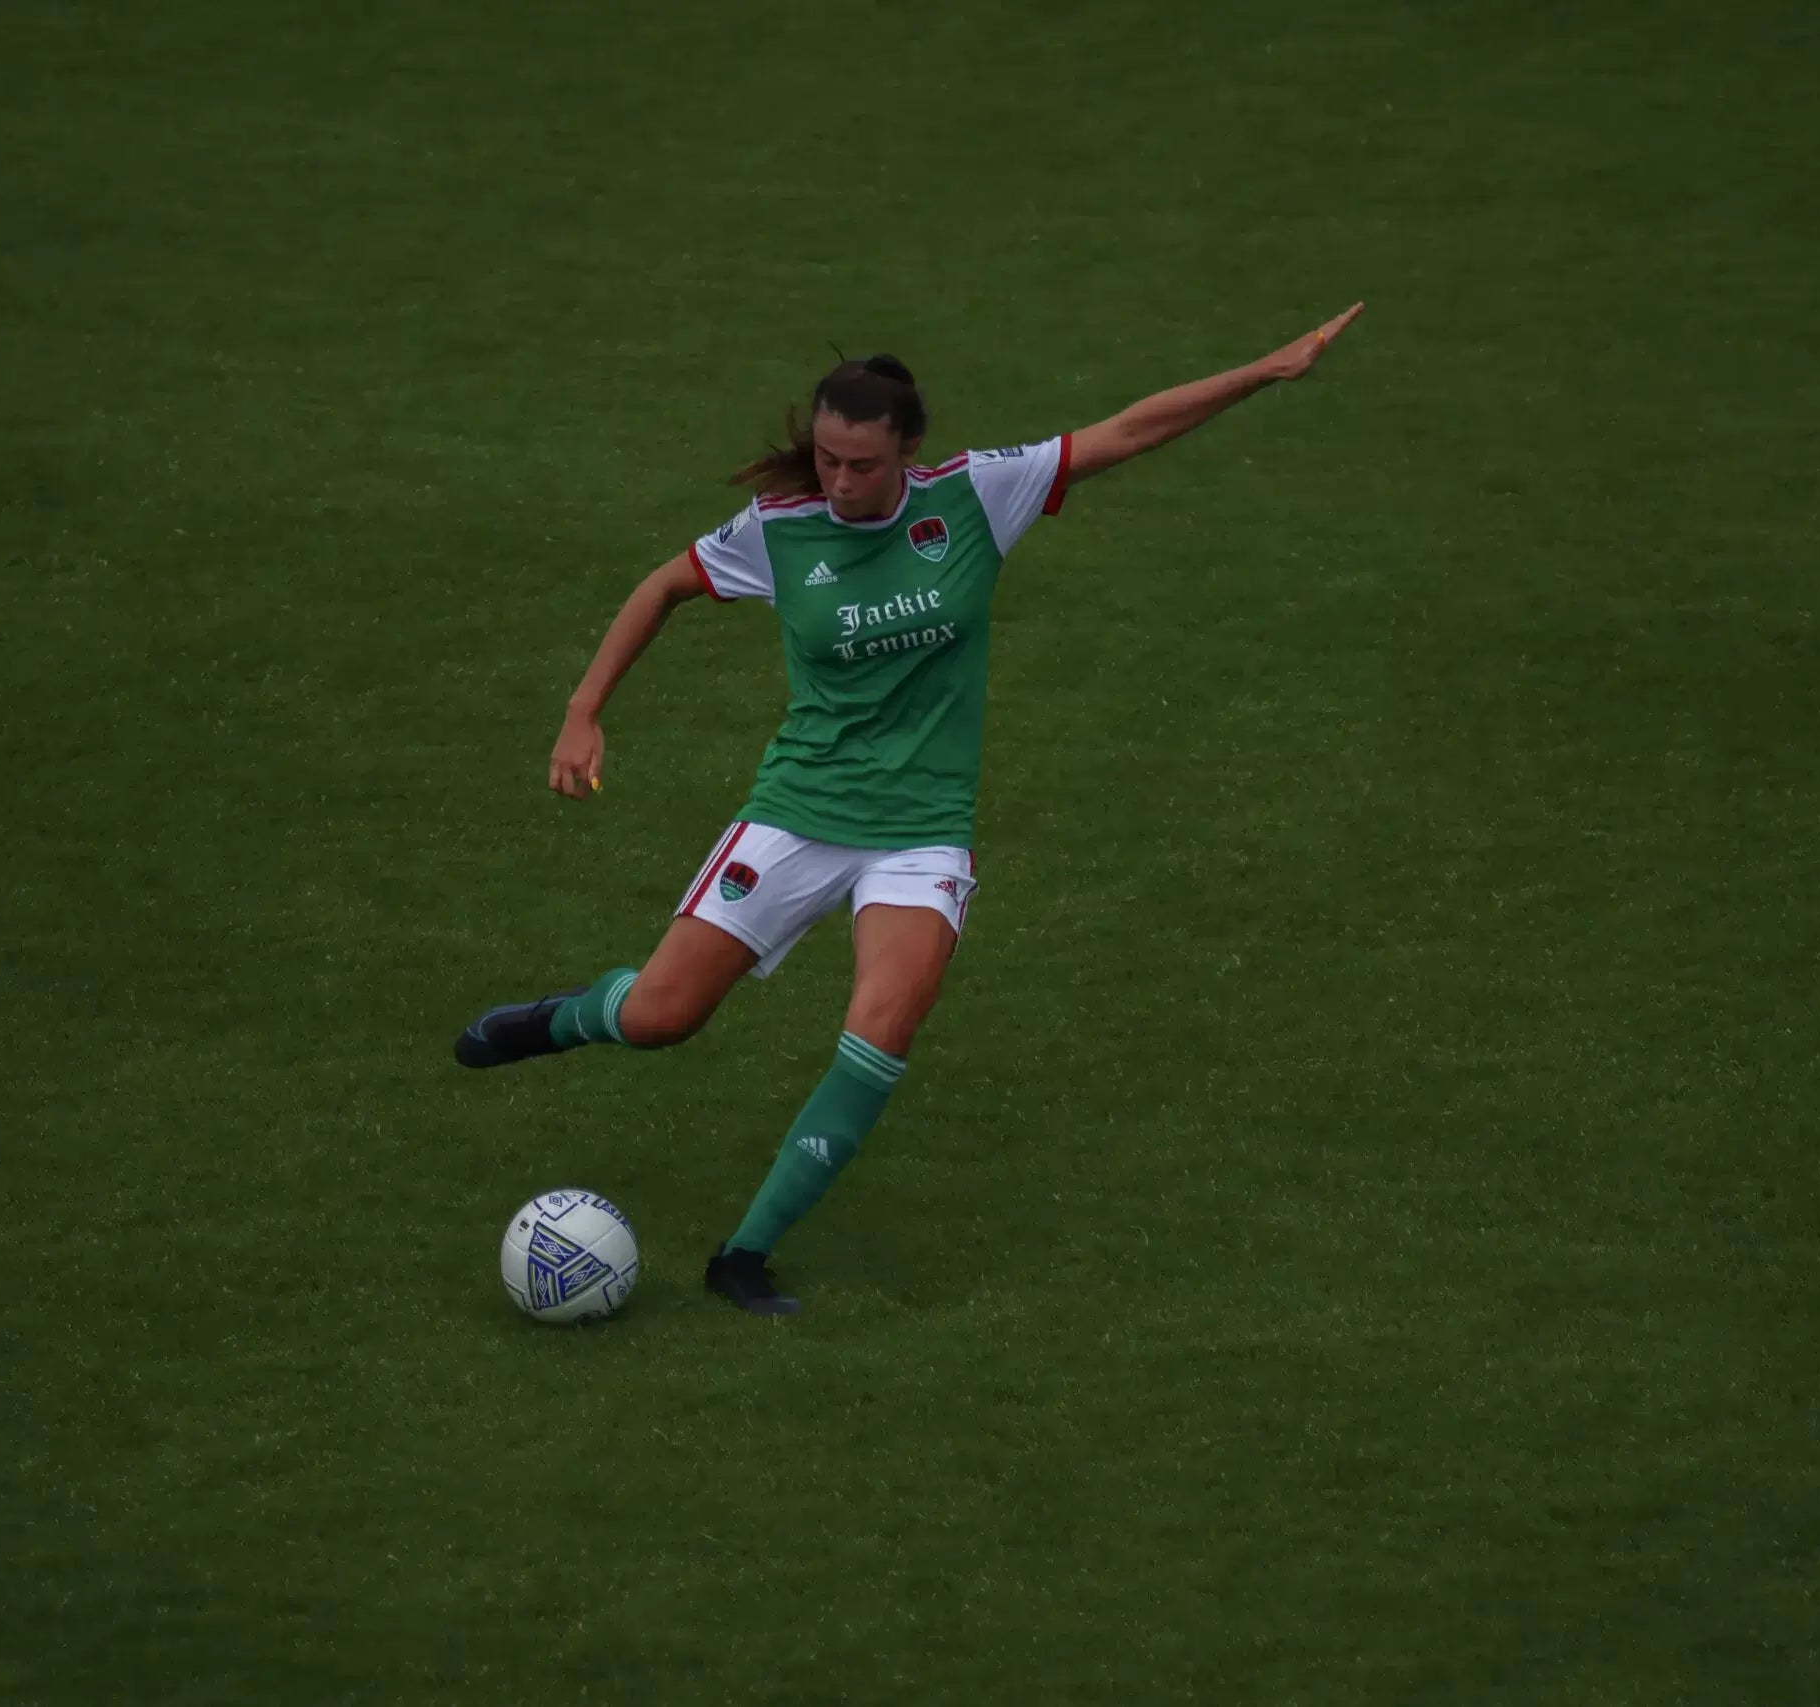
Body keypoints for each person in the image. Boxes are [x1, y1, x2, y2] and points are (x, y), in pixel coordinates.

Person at [459, 303, 1365, 1315]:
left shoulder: (978, 497)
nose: (839, 484)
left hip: (920, 833)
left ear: (908, 453)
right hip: (796, 813)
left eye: (861, 466)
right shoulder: (780, 531)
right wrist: (583, 712)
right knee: (662, 1018)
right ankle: (566, 1018)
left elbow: (1130, 428)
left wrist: (1263, 371)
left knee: (884, 1022)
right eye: (827, 460)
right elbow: (659, 588)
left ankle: (743, 1256)